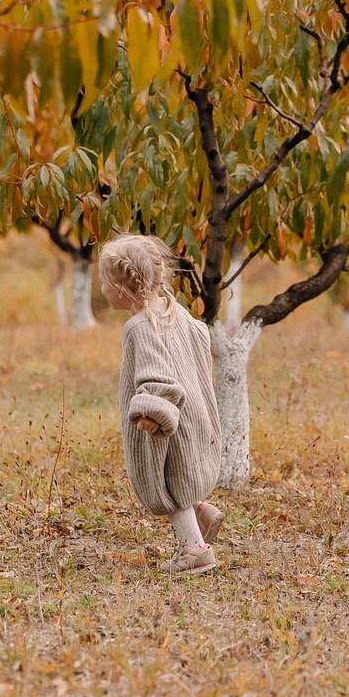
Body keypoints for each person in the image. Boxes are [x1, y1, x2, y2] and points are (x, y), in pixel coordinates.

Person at [96, 234, 226, 575]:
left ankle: (194, 551)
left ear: (120, 290)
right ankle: (202, 512)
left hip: (167, 422)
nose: (102, 289)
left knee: (167, 483)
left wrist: (152, 412)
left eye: (103, 282)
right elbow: (198, 340)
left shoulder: (140, 327)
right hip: (193, 413)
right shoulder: (173, 309)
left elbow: (157, 374)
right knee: (183, 473)